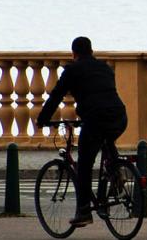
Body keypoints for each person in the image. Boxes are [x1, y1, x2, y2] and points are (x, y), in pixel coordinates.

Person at [37, 36, 128, 227]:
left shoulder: (72, 70)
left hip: (95, 118)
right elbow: (102, 93)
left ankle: (84, 212)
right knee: (106, 138)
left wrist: (43, 119)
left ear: (74, 54)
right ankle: (115, 172)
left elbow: (56, 96)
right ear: (92, 51)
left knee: (85, 164)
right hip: (119, 116)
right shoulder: (105, 67)